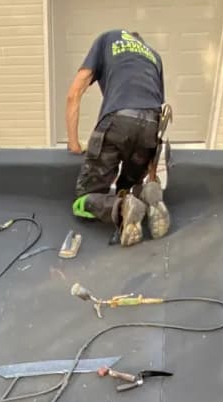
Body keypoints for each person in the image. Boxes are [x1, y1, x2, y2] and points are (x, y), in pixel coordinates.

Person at [65, 29, 171, 247]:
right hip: (151, 124)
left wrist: (74, 144)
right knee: (129, 185)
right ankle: (146, 195)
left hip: (118, 120)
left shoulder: (108, 39)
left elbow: (74, 93)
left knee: (83, 201)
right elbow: (157, 107)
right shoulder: (153, 55)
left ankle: (121, 207)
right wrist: (151, 173)